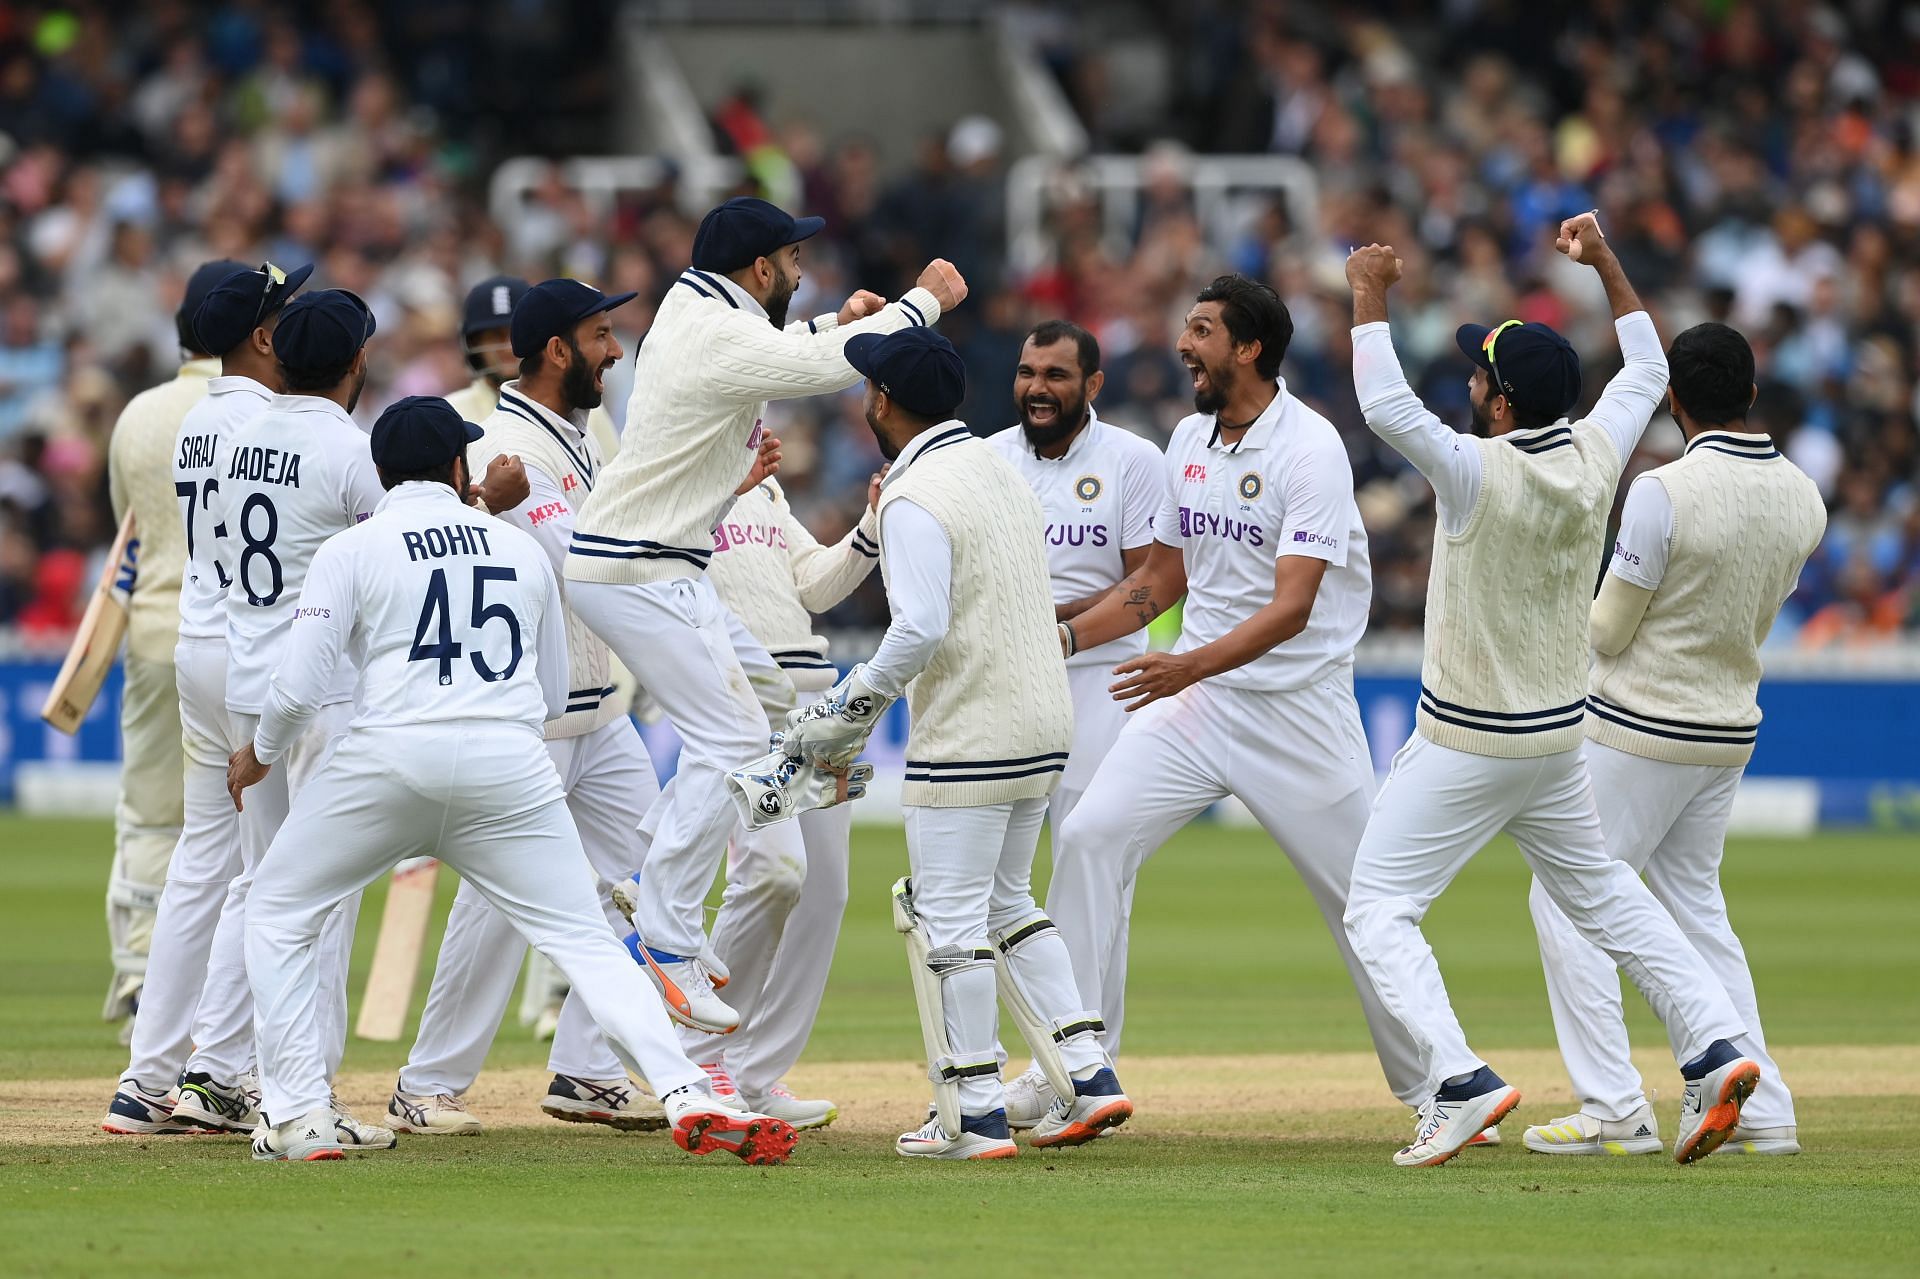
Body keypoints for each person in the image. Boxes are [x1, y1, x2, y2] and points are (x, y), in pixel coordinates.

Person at [229, 397, 797, 1164]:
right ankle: (684, 1090)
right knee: (589, 942)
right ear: (457, 468)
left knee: (278, 907)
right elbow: (555, 694)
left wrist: (259, 752)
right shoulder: (518, 547)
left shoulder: (352, 549)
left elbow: (299, 691)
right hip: (508, 762)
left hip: (388, 758)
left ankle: (296, 1112)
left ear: (380, 472)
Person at [1340, 216, 1760, 1168]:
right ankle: (1713, 1045)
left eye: (1478, 378)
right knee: (1606, 894)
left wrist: (1367, 291)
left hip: (1468, 738)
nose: (1470, 388)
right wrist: (1608, 263)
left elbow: (1383, 406)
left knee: (1377, 909)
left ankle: (1459, 1081)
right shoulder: (1602, 451)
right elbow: (1647, 370)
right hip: (1559, 738)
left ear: (1496, 405)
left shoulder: (1474, 472)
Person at [562, 195, 965, 1033]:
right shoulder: (712, 330)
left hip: (659, 564)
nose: (801, 269)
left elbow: (793, 347)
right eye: (792, 260)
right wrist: (919, 302)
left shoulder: (703, 312)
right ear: (759, 270)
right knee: (732, 739)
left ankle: (653, 865)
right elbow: (820, 368)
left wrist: (846, 319)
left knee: (774, 703)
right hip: (636, 567)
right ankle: (667, 942)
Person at [1042, 275, 1427, 1127]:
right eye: (1187, 327)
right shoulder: (1188, 434)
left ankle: (1439, 1083)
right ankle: (1077, 1063)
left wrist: (1186, 666)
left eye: (1203, 330)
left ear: (1249, 348)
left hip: (1297, 712)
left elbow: (1291, 610)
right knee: (1090, 835)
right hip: (1199, 705)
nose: (1185, 344)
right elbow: (1164, 577)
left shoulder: (1312, 448)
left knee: (1362, 905)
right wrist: (1064, 631)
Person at [781, 326, 1130, 1160]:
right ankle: (1087, 1067)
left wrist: (853, 703)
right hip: (1044, 721)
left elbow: (921, 626)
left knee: (947, 918)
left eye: (869, 388)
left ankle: (970, 1106)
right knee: (1011, 903)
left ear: (884, 403)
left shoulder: (916, 493)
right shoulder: (996, 472)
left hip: (973, 729)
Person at [1523, 322, 1826, 1158]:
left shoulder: (1663, 490)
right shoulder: (1805, 493)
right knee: (1695, 908)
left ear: (1672, 399)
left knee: (1566, 897)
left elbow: (1612, 630)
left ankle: (1613, 1107)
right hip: (1730, 725)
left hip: (1640, 726)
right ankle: (1766, 1111)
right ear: (1753, 393)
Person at [390, 279, 677, 1136]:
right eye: (600, 334)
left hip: (599, 711)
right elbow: (585, 556)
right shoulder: (508, 443)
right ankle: (426, 1082)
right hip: (531, 714)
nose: (614, 349)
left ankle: (586, 1067)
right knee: (500, 903)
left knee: (660, 874)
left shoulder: (585, 432)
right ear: (558, 350)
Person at [102, 260, 310, 1134]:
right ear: (263, 335)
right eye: (286, 312)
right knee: (273, 872)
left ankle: (148, 1077)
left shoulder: (195, 420)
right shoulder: (274, 419)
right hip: (258, 654)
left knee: (200, 862)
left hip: (197, 643)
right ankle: (222, 1072)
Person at [982, 319, 1165, 1127]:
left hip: (1101, 683)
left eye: (1056, 374)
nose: (1037, 388)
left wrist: (1054, 625)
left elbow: (1153, 583)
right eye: (1027, 372)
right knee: (993, 883)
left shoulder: (1134, 460)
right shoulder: (985, 459)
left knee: (1090, 868)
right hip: (1006, 684)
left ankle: (1078, 1068)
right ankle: (1027, 1064)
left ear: (1091, 384)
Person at [675, 463, 884, 1129]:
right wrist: (729, 482)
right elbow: (665, 559)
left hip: (812, 700)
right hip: (741, 700)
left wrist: (872, 523)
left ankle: (756, 1072)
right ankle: (699, 1058)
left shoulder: (765, 487)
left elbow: (815, 584)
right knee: (770, 871)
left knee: (824, 891)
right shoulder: (675, 475)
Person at [97, 258, 242, 1043]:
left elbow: (128, 529)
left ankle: (137, 972)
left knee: (152, 815)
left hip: (152, 632)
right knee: (232, 828)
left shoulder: (138, 416)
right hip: (231, 639)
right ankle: (210, 999)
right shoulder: (249, 413)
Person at [446, 274, 621, 465]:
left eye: (513, 333)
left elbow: (615, 479)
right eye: (495, 335)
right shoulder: (450, 414)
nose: (508, 347)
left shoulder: (586, 410)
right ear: (474, 343)